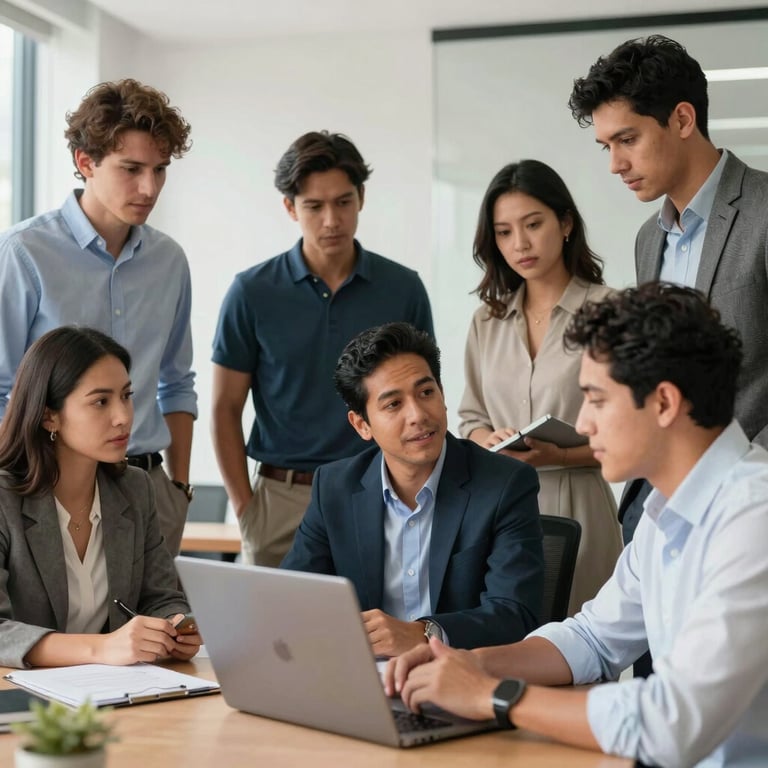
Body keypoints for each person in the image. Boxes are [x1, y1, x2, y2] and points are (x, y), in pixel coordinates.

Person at [386, 283, 768, 767]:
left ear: (665, 403)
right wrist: (466, 665)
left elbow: (672, 724)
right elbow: (593, 638)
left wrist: (496, 695)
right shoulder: (664, 514)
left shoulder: (754, 517)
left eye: (596, 399)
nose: (582, 424)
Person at [568, 34, 768, 546]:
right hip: (653, 508)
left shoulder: (765, 213)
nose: (614, 164)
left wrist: (748, 480)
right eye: (606, 145)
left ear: (682, 120)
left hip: (747, 506)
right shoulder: (648, 238)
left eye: (627, 139)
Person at [212, 131, 434, 567]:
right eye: (314, 206)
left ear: (362, 199)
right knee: (274, 634)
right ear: (290, 207)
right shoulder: (251, 292)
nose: (331, 220)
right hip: (281, 498)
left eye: (343, 202)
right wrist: (247, 508)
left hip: (381, 492)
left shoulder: (402, 288)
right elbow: (224, 407)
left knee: (378, 630)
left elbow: (424, 396)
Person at [0, 79, 197, 557]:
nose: (150, 188)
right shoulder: (25, 253)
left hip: (148, 489)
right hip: (45, 487)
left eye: (160, 169)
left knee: (156, 630)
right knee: (51, 633)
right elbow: (3, 385)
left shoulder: (170, 260)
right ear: (85, 163)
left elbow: (177, 381)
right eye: (131, 169)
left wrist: (179, 488)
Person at [282, 322, 544, 655]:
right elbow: (292, 597)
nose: (418, 415)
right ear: (362, 425)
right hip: (365, 680)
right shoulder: (334, 487)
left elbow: (516, 614)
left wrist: (424, 634)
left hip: (460, 677)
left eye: (426, 392)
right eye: (393, 405)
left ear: (443, 395)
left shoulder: (505, 483)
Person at [458, 159, 621, 614]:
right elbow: (471, 417)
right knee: (506, 646)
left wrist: (561, 456)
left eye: (533, 224)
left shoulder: (608, 310)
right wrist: (483, 438)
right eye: (505, 232)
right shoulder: (486, 320)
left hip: (581, 504)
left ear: (565, 222)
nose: (520, 243)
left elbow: (634, 426)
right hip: (499, 510)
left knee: (585, 650)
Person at [0, 327, 202, 669]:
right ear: (49, 415)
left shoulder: (135, 489)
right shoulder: (5, 499)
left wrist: (176, 627)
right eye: (100, 401)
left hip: (113, 693)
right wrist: (101, 648)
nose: (123, 417)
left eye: (126, 396)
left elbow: (160, 597)